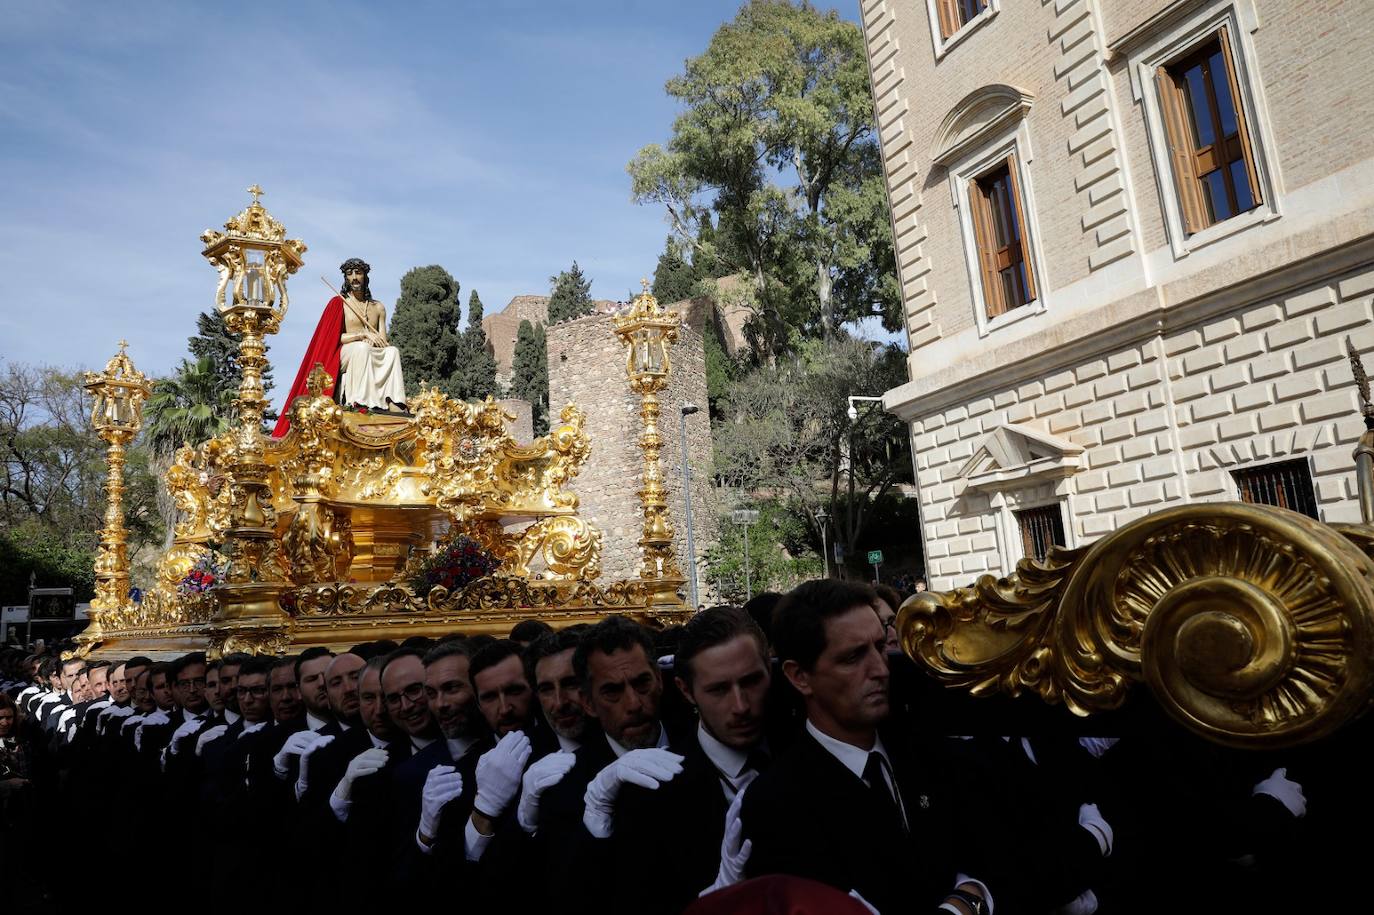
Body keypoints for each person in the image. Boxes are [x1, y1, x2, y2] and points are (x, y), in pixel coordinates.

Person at [739, 580, 1002, 915]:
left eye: (879, 647)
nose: (880, 670)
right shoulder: (777, 802)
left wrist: (972, 894)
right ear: (800, 676)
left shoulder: (930, 754)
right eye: (852, 657)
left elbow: (993, 859)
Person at [618, 607, 777, 914]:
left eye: (751, 681)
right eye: (718, 690)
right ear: (685, 690)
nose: (741, 706)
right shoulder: (650, 797)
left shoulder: (805, 751)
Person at [273, 257, 406, 436]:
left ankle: (395, 403)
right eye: (349, 274)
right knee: (361, 348)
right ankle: (360, 401)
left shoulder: (378, 307)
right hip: (346, 351)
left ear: (365, 276)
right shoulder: (340, 303)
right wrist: (362, 335)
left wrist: (374, 339)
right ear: (346, 279)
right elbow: (334, 337)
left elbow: (383, 341)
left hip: (369, 350)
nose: (354, 278)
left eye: (358, 273)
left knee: (392, 352)